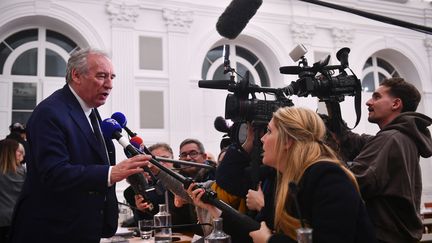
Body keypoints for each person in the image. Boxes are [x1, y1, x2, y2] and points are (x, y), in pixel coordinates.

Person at [9, 48, 150, 243]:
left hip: (81, 229)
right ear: (76, 75)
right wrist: (110, 173)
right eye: (101, 76)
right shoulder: (50, 112)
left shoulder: (90, 111)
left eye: (112, 77)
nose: (109, 84)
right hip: (52, 231)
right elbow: (54, 172)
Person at [188, 106, 377, 243]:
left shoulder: (330, 180)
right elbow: (256, 231)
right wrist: (214, 208)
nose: (262, 139)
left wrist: (270, 241)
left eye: (269, 132)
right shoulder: (282, 179)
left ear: (287, 141)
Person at [328, 77, 432, 243]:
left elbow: (352, 182)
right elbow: (354, 141)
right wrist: (332, 106)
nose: (369, 102)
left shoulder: (390, 139)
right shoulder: (402, 137)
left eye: (377, 97)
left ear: (395, 104)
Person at [0, 139, 26, 242]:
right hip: (18, 219)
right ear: (11, 153)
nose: (22, 156)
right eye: (19, 152)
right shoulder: (23, 172)